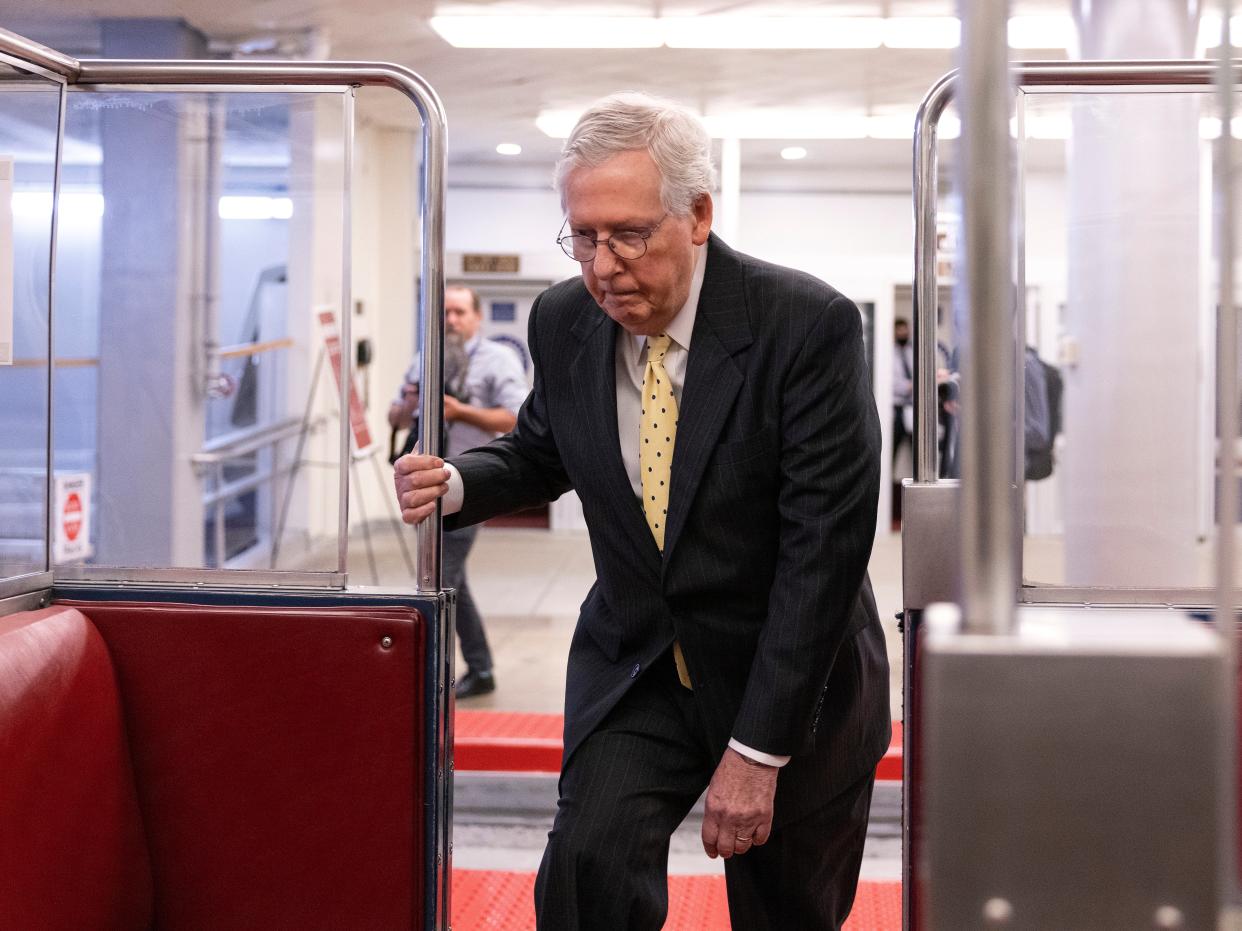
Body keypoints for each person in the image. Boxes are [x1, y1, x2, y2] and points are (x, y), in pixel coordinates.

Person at [394, 93, 889, 928]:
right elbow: (546, 448)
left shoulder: (805, 328)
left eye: (629, 234)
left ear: (696, 215)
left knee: (785, 908)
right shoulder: (565, 319)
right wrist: (461, 482)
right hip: (644, 661)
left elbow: (823, 554)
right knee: (588, 869)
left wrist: (758, 751)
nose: (603, 265)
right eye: (582, 236)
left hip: (792, 669)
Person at [389, 284, 528, 698]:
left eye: (460, 312)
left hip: (466, 486)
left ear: (477, 317)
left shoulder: (497, 360)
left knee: (436, 583)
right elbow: (395, 415)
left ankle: (428, 679)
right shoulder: (424, 359)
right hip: (423, 489)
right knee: (452, 583)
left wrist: (461, 410)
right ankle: (481, 669)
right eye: (445, 312)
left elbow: (521, 420)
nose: (452, 320)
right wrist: (406, 405)